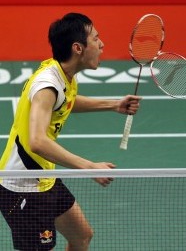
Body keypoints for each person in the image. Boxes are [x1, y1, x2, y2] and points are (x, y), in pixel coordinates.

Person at [0, 13, 141, 250]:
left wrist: (114, 104)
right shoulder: (47, 85)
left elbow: (66, 101)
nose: (102, 44)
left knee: (81, 236)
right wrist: (89, 167)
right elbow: (36, 141)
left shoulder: (63, 75)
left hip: (45, 178)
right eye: (96, 39)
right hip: (23, 186)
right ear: (78, 48)